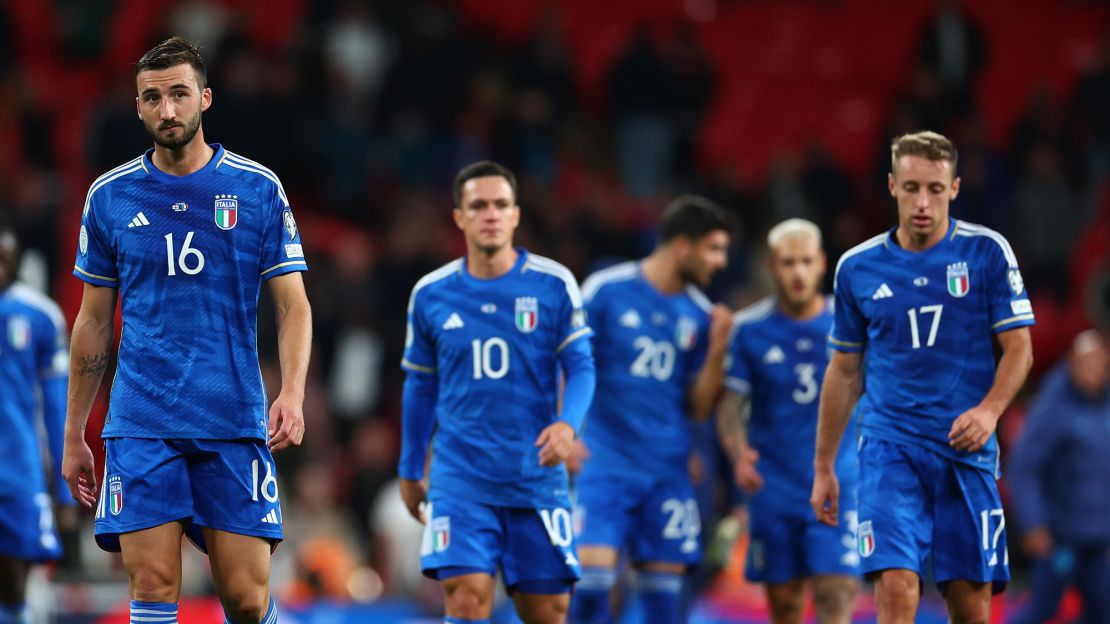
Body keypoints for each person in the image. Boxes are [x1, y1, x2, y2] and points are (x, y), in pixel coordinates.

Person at [61, 37, 312, 624]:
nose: (167, 109)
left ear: (204, 97)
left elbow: (293, 306)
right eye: (153, 98)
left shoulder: (257, 190)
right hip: (143, 422)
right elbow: (93, 321)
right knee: (151, 586)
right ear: (139, 107)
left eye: (178, 94)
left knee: (247, 601)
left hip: (231, 416)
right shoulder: (110, 197)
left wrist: (293, 392)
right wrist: (76, 432)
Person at [811, 130, 1035, 624]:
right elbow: (845, 369)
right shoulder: (857, 268)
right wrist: (824, 464)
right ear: (892, 186)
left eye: (935, 189)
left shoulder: (987, 254)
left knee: (970, 605)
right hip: (888, 447)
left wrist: (990, 410)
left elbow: (1019, 347)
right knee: (896, 587)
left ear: (954, 188)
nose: (922, 201)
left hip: (964, 448)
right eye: (911, 187)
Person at [398, 160, 596, 624]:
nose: (491, 214)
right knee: (465, 601)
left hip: (535, 477)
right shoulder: (431, 294)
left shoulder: (553, 284)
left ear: (516, 215)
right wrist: (410, 467)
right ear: (459, 217)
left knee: (548, 611)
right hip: (461, 478)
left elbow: (582, 365)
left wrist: (569, 424)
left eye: (501, 205)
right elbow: (420, 387)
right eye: (479, 205)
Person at [569, 195, 733, 624]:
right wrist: (562, 428)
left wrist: (717, 353)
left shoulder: (699, 315)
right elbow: (568, 361)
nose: (720, 261)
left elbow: (698, 409)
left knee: (664, 606)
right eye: (713, 248)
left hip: (666, 472)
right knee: (591, 588)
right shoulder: (606, 290)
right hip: (605, 464)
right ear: (683, 245)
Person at [719, 218, 858, 624]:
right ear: (771, 266)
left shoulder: (850, 324)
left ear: (821, 264)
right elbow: (729, 406)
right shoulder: (748, 331)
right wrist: (737, 453)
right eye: (787, 263)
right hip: (774, 486)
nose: (797, 273)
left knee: (837, 593)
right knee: (786, 606)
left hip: (839, 483)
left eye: (805, 262)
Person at [1008, 330, 1110, 624]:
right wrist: (1033, 523)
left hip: (1098, 539)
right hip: (1059, 537)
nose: (1091, 369)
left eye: (1097, 361)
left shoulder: (1104, 407)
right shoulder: (1052, 407)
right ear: (1071, 363)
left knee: (1102, 612)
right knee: (1042, 609)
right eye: (1084, 362)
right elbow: (1024, 467)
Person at [0, 225, 72, 624]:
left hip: (18, 470)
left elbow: (57, 408)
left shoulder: (40, 317)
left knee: (14, 578)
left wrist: (63, 494)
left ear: (15, 263)